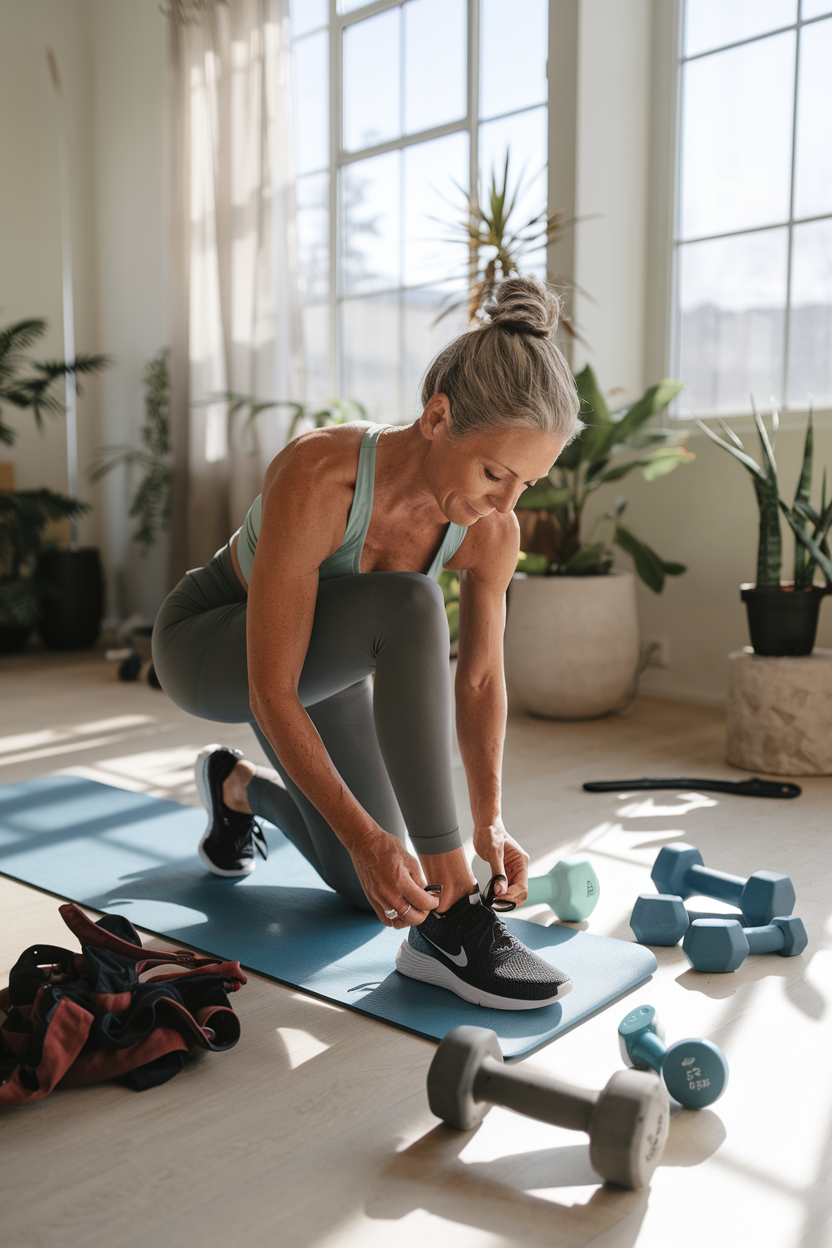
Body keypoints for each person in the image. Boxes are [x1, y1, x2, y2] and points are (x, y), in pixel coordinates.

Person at [152, 276, 582, 1011]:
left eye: (527, 485)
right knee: (413, 605)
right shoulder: (322, 475)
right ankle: (454, 917)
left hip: (329, 667)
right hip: (215, 641)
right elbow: (271, 691)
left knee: (375, 888)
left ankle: (234, 788)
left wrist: (489, 822)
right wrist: (377, 835)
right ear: (438, 416)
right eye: (493, 474)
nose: (504, 507)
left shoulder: (492, 532)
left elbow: (479, 683)